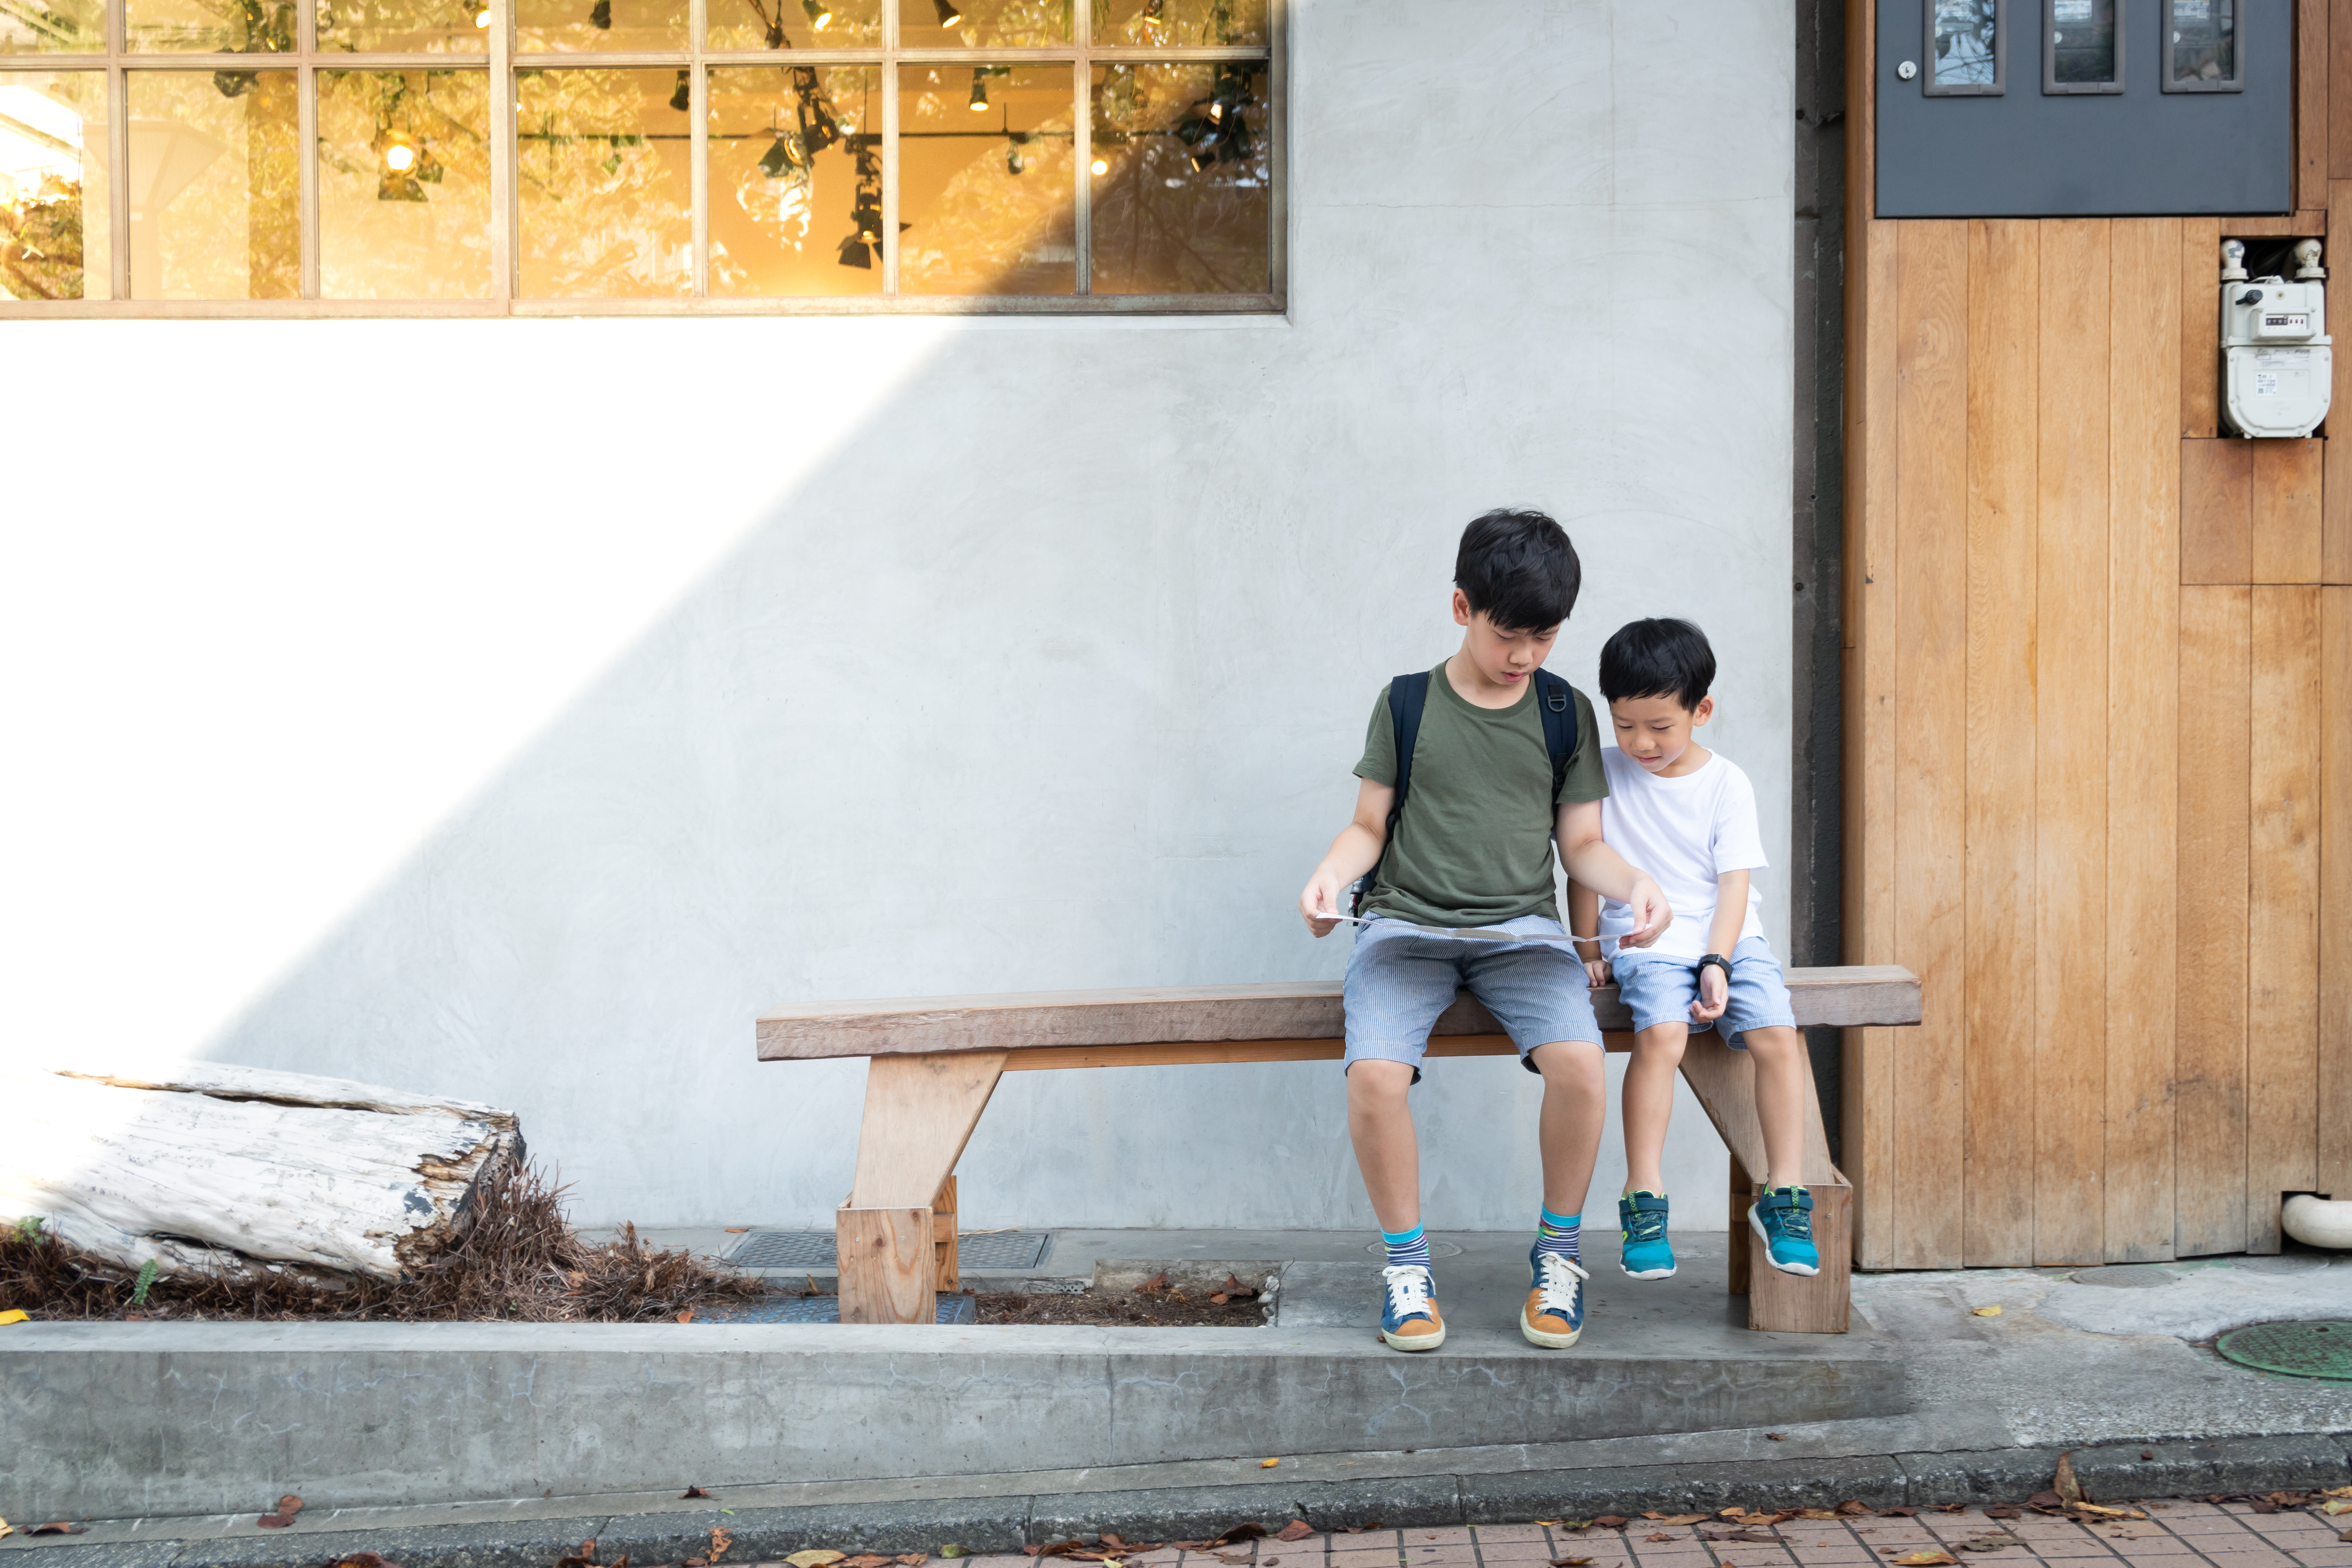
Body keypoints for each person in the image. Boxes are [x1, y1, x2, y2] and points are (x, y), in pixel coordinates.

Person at [1298, 509, 1672, 1353]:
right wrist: (1331, 876)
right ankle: (1405, 1266)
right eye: (1509, 635)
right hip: (1403, 927)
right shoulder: (1405, 702)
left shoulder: (1560, 709)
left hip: (1522, 935)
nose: (1524, 656)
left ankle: (1558, 1252)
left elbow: (1580, 844)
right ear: (1462, 607)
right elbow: (1366, 824)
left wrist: (1637, 885)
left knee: (1580, 1065)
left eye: (1543, 637)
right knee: (1375, 1078)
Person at [1567, 616, 1819, 1285]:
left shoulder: (1726, 784)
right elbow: (1583, 862)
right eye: (1625, 725)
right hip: (1643, 938)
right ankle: (1643, 1198)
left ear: (1700, 711)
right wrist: (1589, 945)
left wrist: (1718, 960)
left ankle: (1786, 1195)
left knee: (1776, 1036)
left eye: (1659, 726)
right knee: (1663, 1034)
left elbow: (1733, 888)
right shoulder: (1602, 771)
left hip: (1727, 935)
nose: (1640, 742)